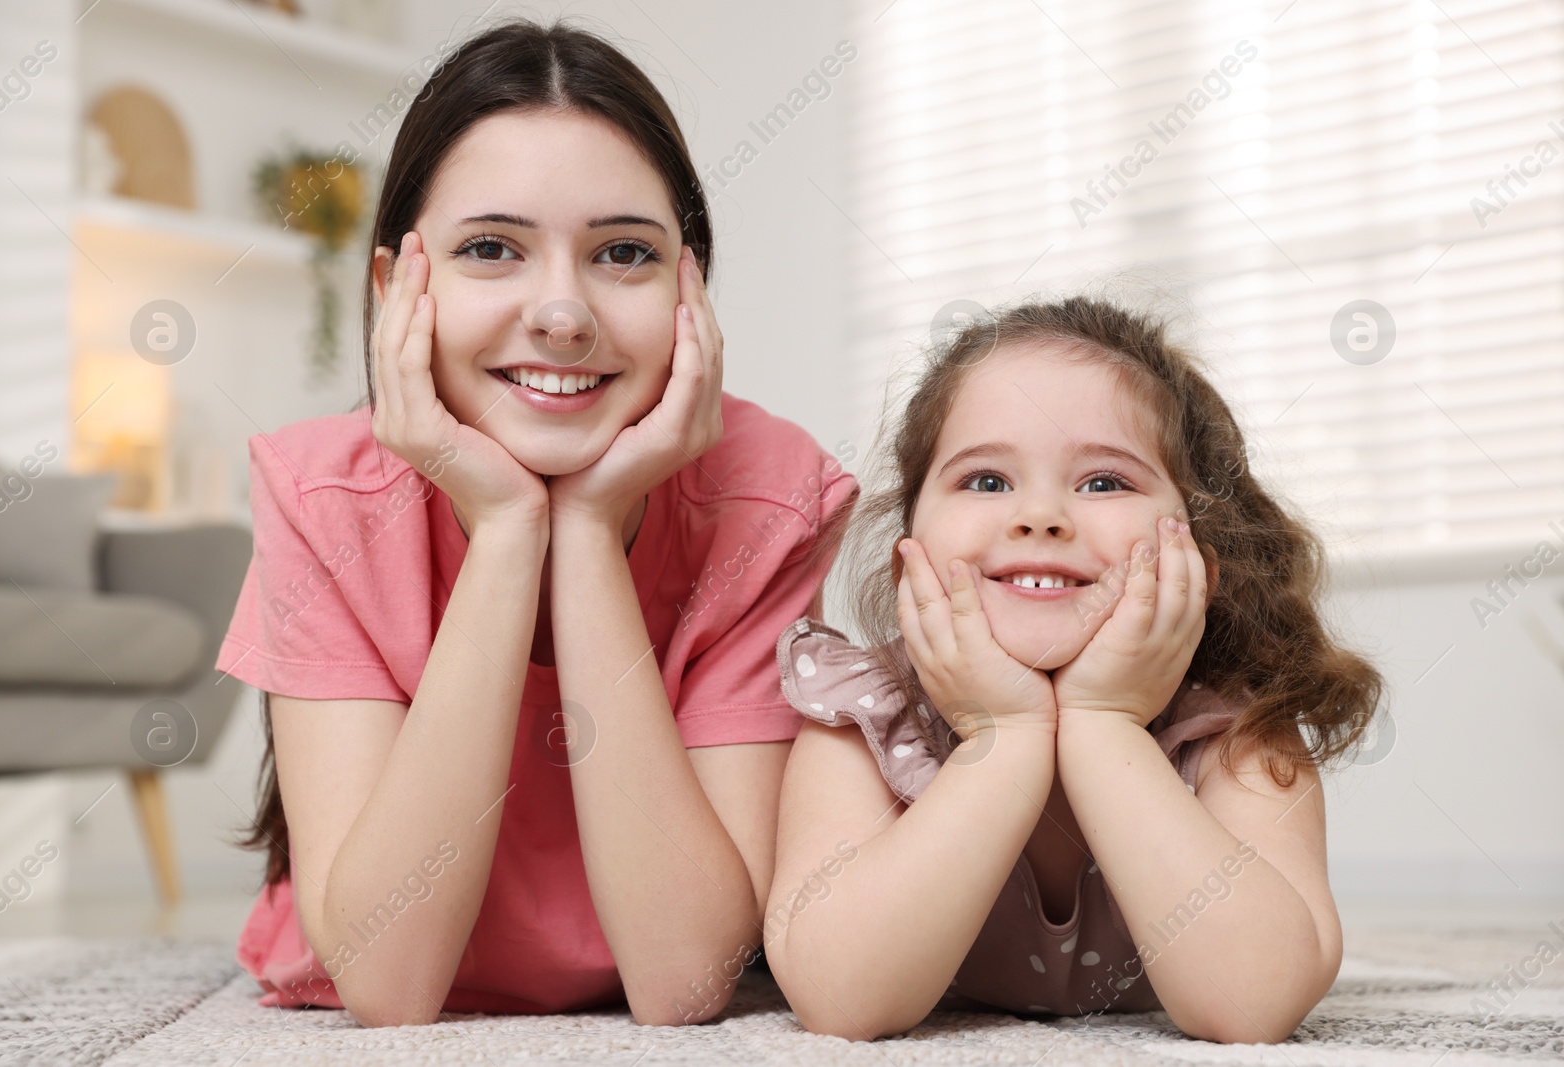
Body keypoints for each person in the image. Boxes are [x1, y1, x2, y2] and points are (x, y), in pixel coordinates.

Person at [216, 20, 856, 1027]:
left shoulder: (766, 497)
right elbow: (388, 985)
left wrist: (590, 531)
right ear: (397, 292)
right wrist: (511, 529)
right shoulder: (320, 494)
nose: (562, 311)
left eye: (622, 253)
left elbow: (685, 977)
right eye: (490, 249)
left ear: (691, 290)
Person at [764, 296, 1382, 1043]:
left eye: (1103, 482)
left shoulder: (1238, 732)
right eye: (987, 480)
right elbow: (841, 999)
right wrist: (1007, 734)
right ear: (909, 551)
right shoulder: (865, 717)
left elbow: (1252, 1003)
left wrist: (1103, 723)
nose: (1041, 516)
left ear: (1199, 562)